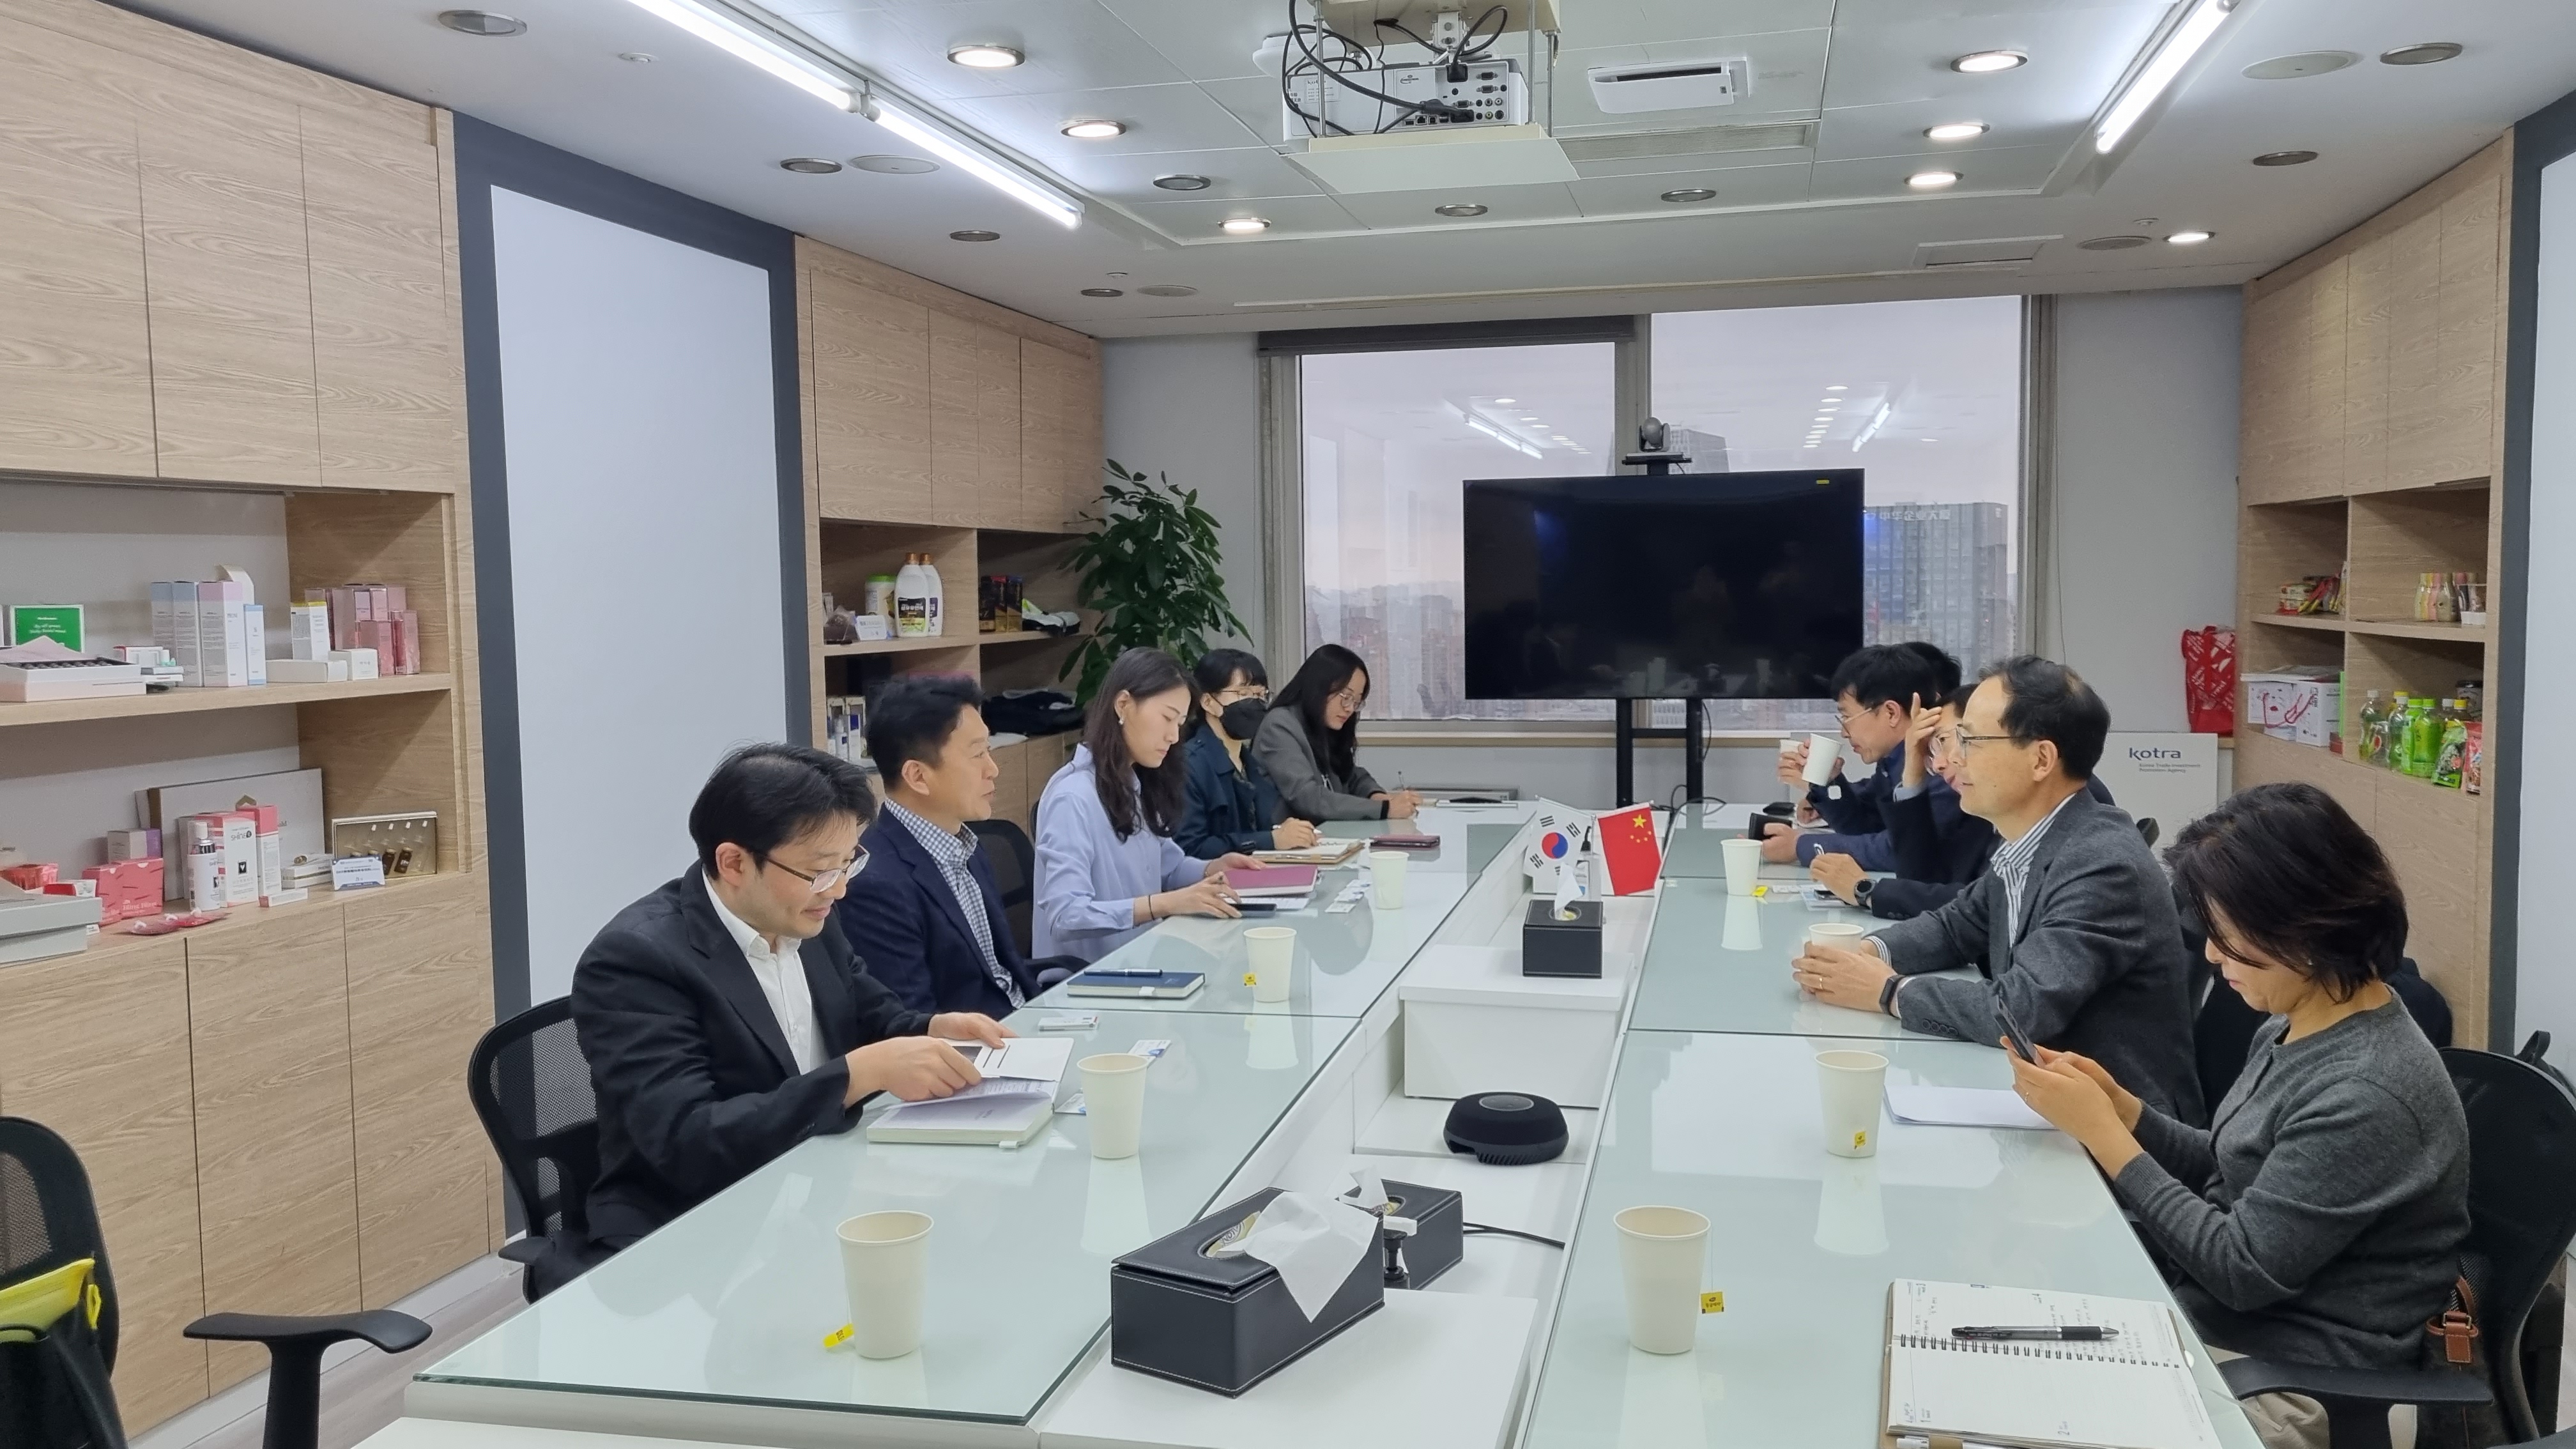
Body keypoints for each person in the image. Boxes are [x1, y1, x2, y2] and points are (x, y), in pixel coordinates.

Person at [2008, 783, 2470, 1449]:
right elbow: (2235, 1166)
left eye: (2227, 938)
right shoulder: (2299, 1019)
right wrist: (2124, 1109)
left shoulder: (2370, 1091)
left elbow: (2240, 1269)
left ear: (2305, 928)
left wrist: (2106, 1138)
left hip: (2299, 1381)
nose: (2211, 956)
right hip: (2226, 1332)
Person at [572, 744, 1013, 1254]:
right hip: (697, 1225)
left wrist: (932, 1028)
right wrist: (857, 1074)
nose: (839, 890)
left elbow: (870, 1015)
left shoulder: (806, 913)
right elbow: (690, 1142)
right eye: (822, 870)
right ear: (734, 863)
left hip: (819, 1186)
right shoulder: (636, 960)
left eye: (849, 864)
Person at [1789, 656, 2203, 1120]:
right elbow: (1954, 927)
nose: (1950, 760)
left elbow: (2022, 1009)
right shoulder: (2034, 840)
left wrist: (1887, 991)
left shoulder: (2102, 863)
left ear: (2041, 759)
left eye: (1970, 741)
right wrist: (1865, 953)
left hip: (2119, 1125)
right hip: (2048, 1093)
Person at [836, 675, 1054, 1018]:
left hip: (1026, 1019)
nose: (993, 769)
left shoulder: (966, 844)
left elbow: (1004, 974)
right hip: (978, 1045)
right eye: (977, 754)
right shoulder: (875, 885)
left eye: (989, 750)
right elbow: (912, 1025)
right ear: (918, 776)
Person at [1811, 682, 2118, 921]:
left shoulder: (2071, 810)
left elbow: (1987, 910)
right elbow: (1932, 880)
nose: (1943, 763)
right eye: (1933, 750)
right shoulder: (1992, 798)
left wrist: (1866, 891)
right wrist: (1914, 773)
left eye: (1953, 741)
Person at [1034, 647, 1262, 963]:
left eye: (1179, 723)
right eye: (1167, 718)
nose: (1173, 736)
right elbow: (1066, 915)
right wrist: (1162, 905)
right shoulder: (1072, 797)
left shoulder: (1134, 782)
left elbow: (1169, 867)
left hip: (1144, 959)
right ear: (1123, 705)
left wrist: (1213, 868)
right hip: (1089, 978)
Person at [1762, 643, 1963, 870]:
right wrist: (1827, 782)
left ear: (1891, 713)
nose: (1844, 732)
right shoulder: (1892, 761)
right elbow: (1864, 825)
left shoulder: (1940, 765)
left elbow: (1898, 850)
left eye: (1847, 717)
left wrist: (1801, 846)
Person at [1176, 647, 1321, 859]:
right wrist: (1271, 840)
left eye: (1260, 694)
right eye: (1243, 694)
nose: (1254, 703)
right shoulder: (1190, 765)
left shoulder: (1250, 763)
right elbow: (1190, 849)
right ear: (1208, 702)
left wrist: (1284, 833)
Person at [1254, 643, 1423, 822]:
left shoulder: (1324, 723)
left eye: (1356, 702)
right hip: (1293, 836)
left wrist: (1377, 796)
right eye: (1346, 697)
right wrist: (1384, 809)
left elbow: (1351, 775)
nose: (1350, 708)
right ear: (1319, 686)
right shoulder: (1279, 725)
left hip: (1326, 833)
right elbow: (1309, 798)